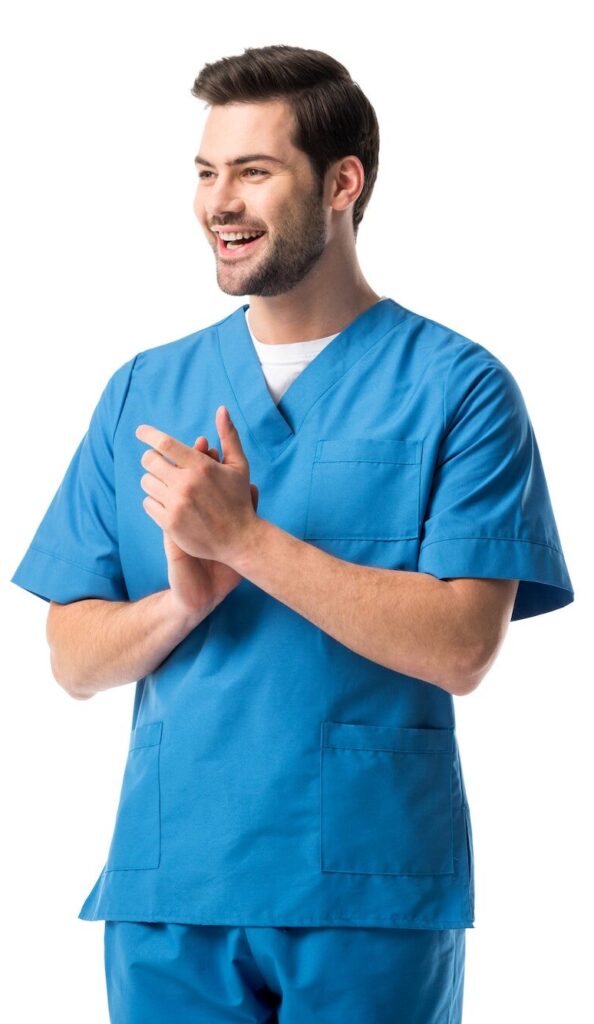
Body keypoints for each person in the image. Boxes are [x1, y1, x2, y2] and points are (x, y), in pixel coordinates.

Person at [10, 43, 574, 1024]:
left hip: (364, 894)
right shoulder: (144, 390)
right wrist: (182, 603)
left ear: (342, 182)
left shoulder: (457, 388)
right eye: (204, 172)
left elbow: (462, 646)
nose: (217, 202)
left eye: (254, 171)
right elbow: (72, 657)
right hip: (171, 888)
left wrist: (245, 542)